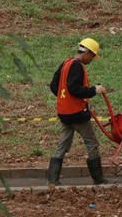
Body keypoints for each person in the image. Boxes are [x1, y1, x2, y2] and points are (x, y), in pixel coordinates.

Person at [46, 37, 108, 185]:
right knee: (92, 143)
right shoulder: (77, 66)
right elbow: (74, 89)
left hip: (64, 113)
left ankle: (53, 180)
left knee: (63, 144)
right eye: (92, 56)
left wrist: (64, 99)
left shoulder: (66, 63)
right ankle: (98, 179)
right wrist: (94, 90)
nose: (91, 59)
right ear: (87, 52)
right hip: (77, 114)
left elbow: (54, 86)